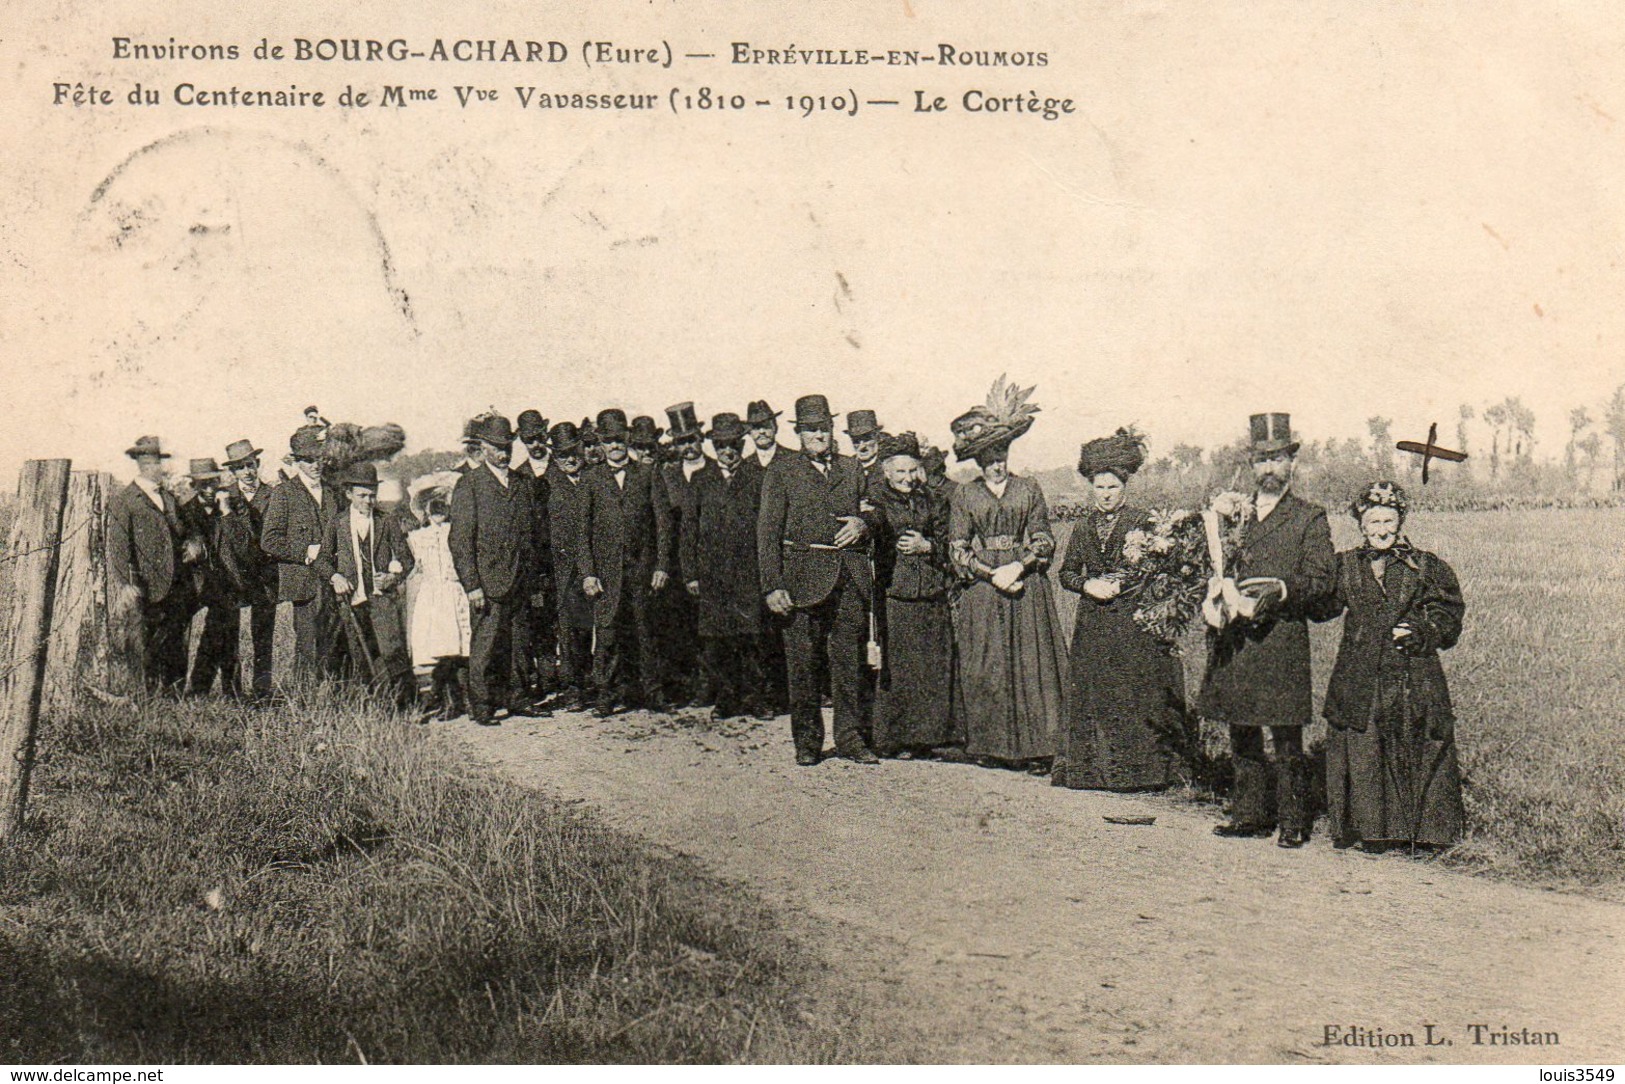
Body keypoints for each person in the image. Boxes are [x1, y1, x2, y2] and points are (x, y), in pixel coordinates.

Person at [1202, 412, 1335, 848]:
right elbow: (1212, 561)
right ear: (1251, 465)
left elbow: (1321, 580)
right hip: (1235, 636)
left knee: (1285, 735)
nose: (1270, 469)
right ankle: (1250, 814)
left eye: (1278, 459)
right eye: (1262, 461)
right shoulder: (1233, 514)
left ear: (1291, 463)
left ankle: (1293, 819)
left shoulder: (1309, 518)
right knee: (1241, 727)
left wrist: (1281, 589)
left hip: (1279, 637)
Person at [1312, 481, 1467, 852]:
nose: (1381, 530)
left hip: (1413, 672)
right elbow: (1321, 608)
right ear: (1361, 525)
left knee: (1418, 737)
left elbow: (1449, 615)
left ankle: (1424, 833)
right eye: (1373, 522)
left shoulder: (1426, 565)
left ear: (1399, 522)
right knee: (1363, 744)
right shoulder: (1345, 566)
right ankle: (1371, 832)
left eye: (1388, 521)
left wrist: (1424, 630)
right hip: (1359, 670)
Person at [1055, 429, 1189, 791]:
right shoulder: (1082, 526)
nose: (1106, 495)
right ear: (1091, 488)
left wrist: (1123, 584)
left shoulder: (1141, 521)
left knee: (1130, 692)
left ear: (1124, 488)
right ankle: (1092, 772)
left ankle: (1136, 774)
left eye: (1112, 488)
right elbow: (1066, 572)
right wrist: (1086, 585)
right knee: (1094, 692)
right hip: (1093, 622)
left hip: (1130, 621)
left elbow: (1157, 567)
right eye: (1099, 488)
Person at [946, 381, 1068, 772]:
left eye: (1001, 454)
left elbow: (1044, 537)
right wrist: (989, 572)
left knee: (1032, 663)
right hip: (984, 590)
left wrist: (1021, 564)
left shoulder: (1028, 488)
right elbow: (958, 548)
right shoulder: (964, 495)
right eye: (988, 457)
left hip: (1026, 584)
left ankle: (1038, 749)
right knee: (988, 663)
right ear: (977, 462)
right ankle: (991, 745)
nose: (996, 463)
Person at [757, 394, 877, 765]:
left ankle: (851, 739)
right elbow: (767, 530)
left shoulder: (851, 468)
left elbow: (876, 511)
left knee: (849, 663)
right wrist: (772, 584)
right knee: (803, 665)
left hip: (849, 579)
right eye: (809, 429)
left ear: (831, 428)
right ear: (799, 433)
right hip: (800, 580)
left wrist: (863, 524)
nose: (818, 434)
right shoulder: (782, 470)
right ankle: (807, 744)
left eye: (822, 427)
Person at [866, 432, 955, 758]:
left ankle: (928, 738)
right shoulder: (873, 500)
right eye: (898, 471)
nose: (906, 478)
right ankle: (893, 739)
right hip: (895, 593)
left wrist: (928, 546)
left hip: (931, 591)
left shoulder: (934, 499)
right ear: (886, 471)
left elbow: (952, 545)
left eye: (911, 471)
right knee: (898, 668)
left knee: (931, 666)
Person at [577, 408, 668, 716]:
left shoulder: (647, 474)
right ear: (600, 444)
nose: (614, 446)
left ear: (628, 438)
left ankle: (653, 693)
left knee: (645, 632)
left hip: (642, 570)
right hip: (606, 573)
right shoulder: (590, 478)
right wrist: (588, 573)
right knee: (607, 635)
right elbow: (583, 531)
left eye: (619, 439)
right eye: (608, 440)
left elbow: (662, 525)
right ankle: (605, 694)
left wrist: (661, 565)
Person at [449, 413, 538, 725]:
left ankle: (519, 698)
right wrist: (472, 585)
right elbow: (460, 541)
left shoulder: (522, 483)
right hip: (488, 582)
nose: (503, 453)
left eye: (507, 447)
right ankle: (482, 705)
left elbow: (531, 534)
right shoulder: (469, 485)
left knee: (519, 644)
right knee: (486, 646)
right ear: (482, 447)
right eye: (497, 447)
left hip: (520, 580)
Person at [679, 412, 767, 720]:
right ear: (713, 447)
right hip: (712, 574)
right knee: (719, 641)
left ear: (742, 444)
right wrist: (690, 573)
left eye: (732, 445)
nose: (727, 452)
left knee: (751, 638)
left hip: (748, 573)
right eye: (720, 446)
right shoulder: (701, 480)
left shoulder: (757, 478)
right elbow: (688, 529)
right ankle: (727, 699)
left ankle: (756, 699)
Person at [314, 462, 415, 706]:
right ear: (349, 494)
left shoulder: (386, 520)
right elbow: (321, 560)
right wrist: (335, 577)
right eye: (362, 496)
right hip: (352, 601)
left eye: (372, 495)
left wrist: (393, 576)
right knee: (362, 655)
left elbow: (407, 559)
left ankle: (407, 705)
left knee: (393, 652)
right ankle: (378, 704)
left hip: (382, 599)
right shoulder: (337, 523)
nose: (368, 501)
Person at [107, 436, 202, 694]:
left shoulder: (169, 498)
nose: (160, 466)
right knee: (146, 642)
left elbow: (186, 530)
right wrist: (126, 583)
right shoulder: (125, 500)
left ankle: (173, 693)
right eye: (155, 461)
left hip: (177, 582)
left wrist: (193, 544)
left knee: (176, 637)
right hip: (147, 584)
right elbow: (118, 547)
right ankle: (146, 694)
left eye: (159, 460)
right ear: (144, 463)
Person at [261, 425, 340, 682]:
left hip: (335, 579)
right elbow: (269, 541)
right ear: (296, 461)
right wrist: (305, 551)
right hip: (305, 585)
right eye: (308, 460)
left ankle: (338, 697)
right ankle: (306, 704)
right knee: (309, 646)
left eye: (320, 459)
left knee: (337, 643)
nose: (315, 465)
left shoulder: (333, 492)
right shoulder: (284, 494)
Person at [653, 402, 709, 707]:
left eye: (692, 439)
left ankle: (708, 686)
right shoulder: (666, 475)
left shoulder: (715, 471)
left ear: (700, 437)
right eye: (681, 441)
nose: (688, 446)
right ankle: (683, 686)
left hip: (709, 560)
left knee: (708, 626)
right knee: (679, 626)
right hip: (675, 563)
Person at [406, 478, 472, 721]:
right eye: (432, 506)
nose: (438, 511)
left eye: (442, 505)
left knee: (460, 649)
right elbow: (412, 567)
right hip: (433, 597)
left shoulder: (457, 531)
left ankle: (464, 698)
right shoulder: (418, 537)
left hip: (455, 593)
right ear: (425, 510)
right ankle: (443, 698)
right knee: (440, 649)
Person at [218, 438, 278, 700]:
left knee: (263, 636)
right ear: (233, 472)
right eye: (241, 467)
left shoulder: (273, 495)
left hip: (264, 575)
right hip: (234, 576)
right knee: (230, 635)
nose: (248, 472)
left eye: (251, 465)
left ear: (258, 464)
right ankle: (231, 690)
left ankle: (262, 689)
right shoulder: (225, 497)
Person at [744, 399, 794, 714]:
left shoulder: (792, 461)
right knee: (760, 630)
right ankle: (766, 696)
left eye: (765, 425)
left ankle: (795, 693)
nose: (761, 432)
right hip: (754, 558)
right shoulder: (745, 467)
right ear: (749, 433)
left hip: (787, 556)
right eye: (755, 427)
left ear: (774, 427)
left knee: (790, 625)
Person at [179, 458, 240, 697]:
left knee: (223, 634)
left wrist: (226, 513)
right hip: (194, 583)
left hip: (223, 582)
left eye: (212, 482)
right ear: (194, 485)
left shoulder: (225, 509)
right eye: (202, 484)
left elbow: (237, 543)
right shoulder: (184, 512)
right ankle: (191, 689)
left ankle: (226, 689)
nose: (208, 489)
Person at [545, 421, 595, 708]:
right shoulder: (546, 484)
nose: (570, 458)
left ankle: (598, 683)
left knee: (596, 629)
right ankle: (574, 687)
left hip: (595, 567)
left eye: (573, 451)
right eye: (562, 454)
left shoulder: (593, 477)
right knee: (570, 632)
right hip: (564, 572)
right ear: (554, 455)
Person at [513, 409, 556, 699]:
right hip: (537, 565)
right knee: (539, 621)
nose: (536, 444)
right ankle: (545, 680)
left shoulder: (562, 467)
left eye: (539, 437)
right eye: (529, 440)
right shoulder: (519, 476)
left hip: (565, 559)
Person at [846, 409, 887, 486]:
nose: (862, 446)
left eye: (866, 439)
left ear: (877, 437)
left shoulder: (887, 465)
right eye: (856, 440)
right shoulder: (847, 467)